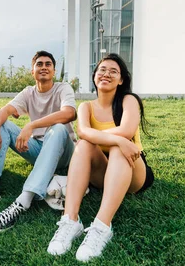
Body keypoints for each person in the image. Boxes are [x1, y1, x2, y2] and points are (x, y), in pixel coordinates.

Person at [46, 53, 154, 262]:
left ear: (121, 80)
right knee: (85, 144)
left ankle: (102, 226)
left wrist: (120, 141)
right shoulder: (86, 107)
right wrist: (118, 139)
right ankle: (70, 221)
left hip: (133, 171)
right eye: (102, 70)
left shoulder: (128, 100)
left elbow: (127, 130)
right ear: (95, 76)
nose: (106, 74)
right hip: (103, 172)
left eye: (114, 71)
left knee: (117, 148)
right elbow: (83, 133)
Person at [0, 50, 77, 233]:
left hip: (64, 150)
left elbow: (69, 113)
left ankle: (23, 201)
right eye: (39, 64)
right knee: (2, 123)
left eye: (48, 64)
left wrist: (31, 126)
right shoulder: (28, 92)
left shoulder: (62, 88)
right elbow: (3, 111)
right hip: (39, 148)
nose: (44, 67)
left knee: (58, 128)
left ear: (54, 71)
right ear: (33, 71)